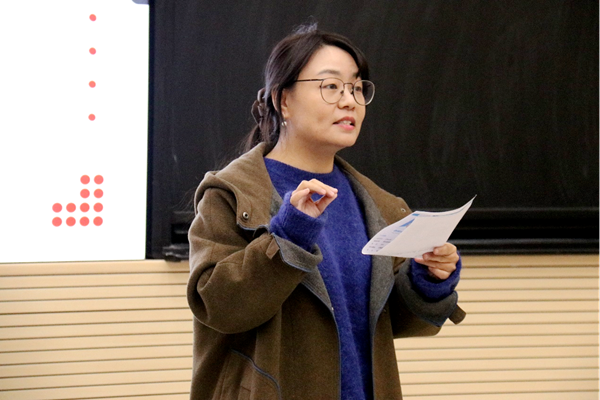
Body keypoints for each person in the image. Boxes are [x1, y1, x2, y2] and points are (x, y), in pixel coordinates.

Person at [187, 23, 465, 400]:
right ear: (283, 100)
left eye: (357, 88)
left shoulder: (379, 204)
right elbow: (218, 307)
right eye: (331, 86)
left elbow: (382, 320)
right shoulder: (233, 194)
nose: (349, 101)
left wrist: (428, 279)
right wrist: (288, 237)